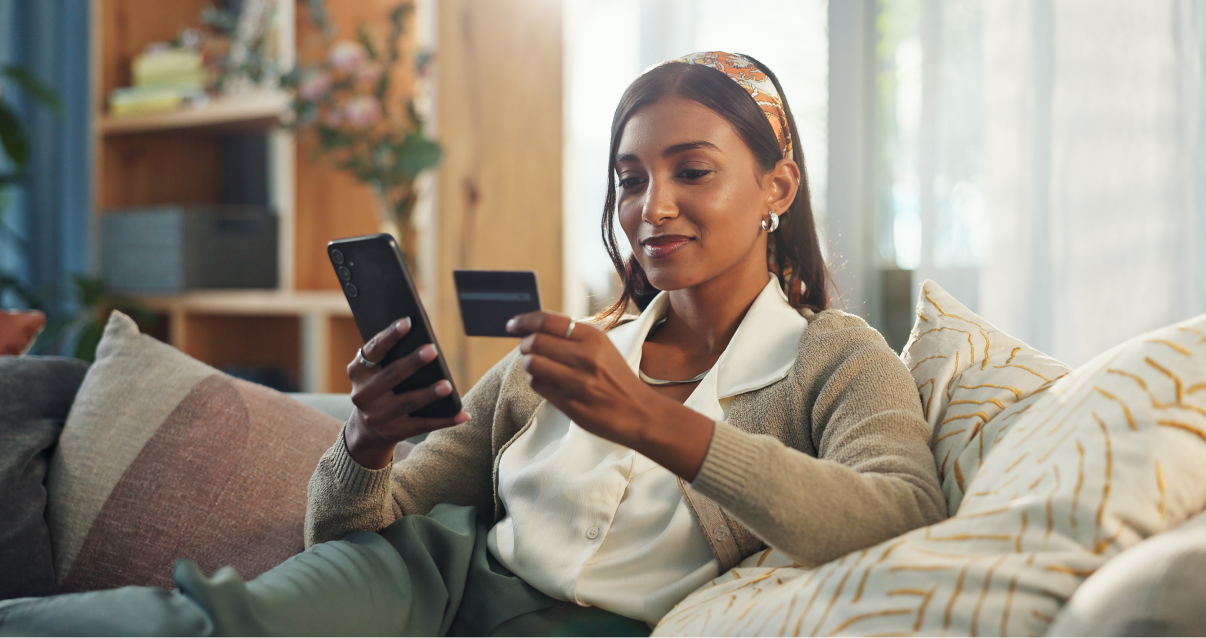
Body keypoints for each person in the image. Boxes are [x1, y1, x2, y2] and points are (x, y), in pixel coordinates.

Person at [0, 52, 945, 638]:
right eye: (627, 179)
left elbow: (898, 513)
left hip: (599, 626)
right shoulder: (576, 351)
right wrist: (366, 441)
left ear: (778, 189)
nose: (650, 208)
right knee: (211, 623)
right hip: (431, 574)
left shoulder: (836, 357)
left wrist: (657, 425)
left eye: (692, 171)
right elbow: (361, 527)